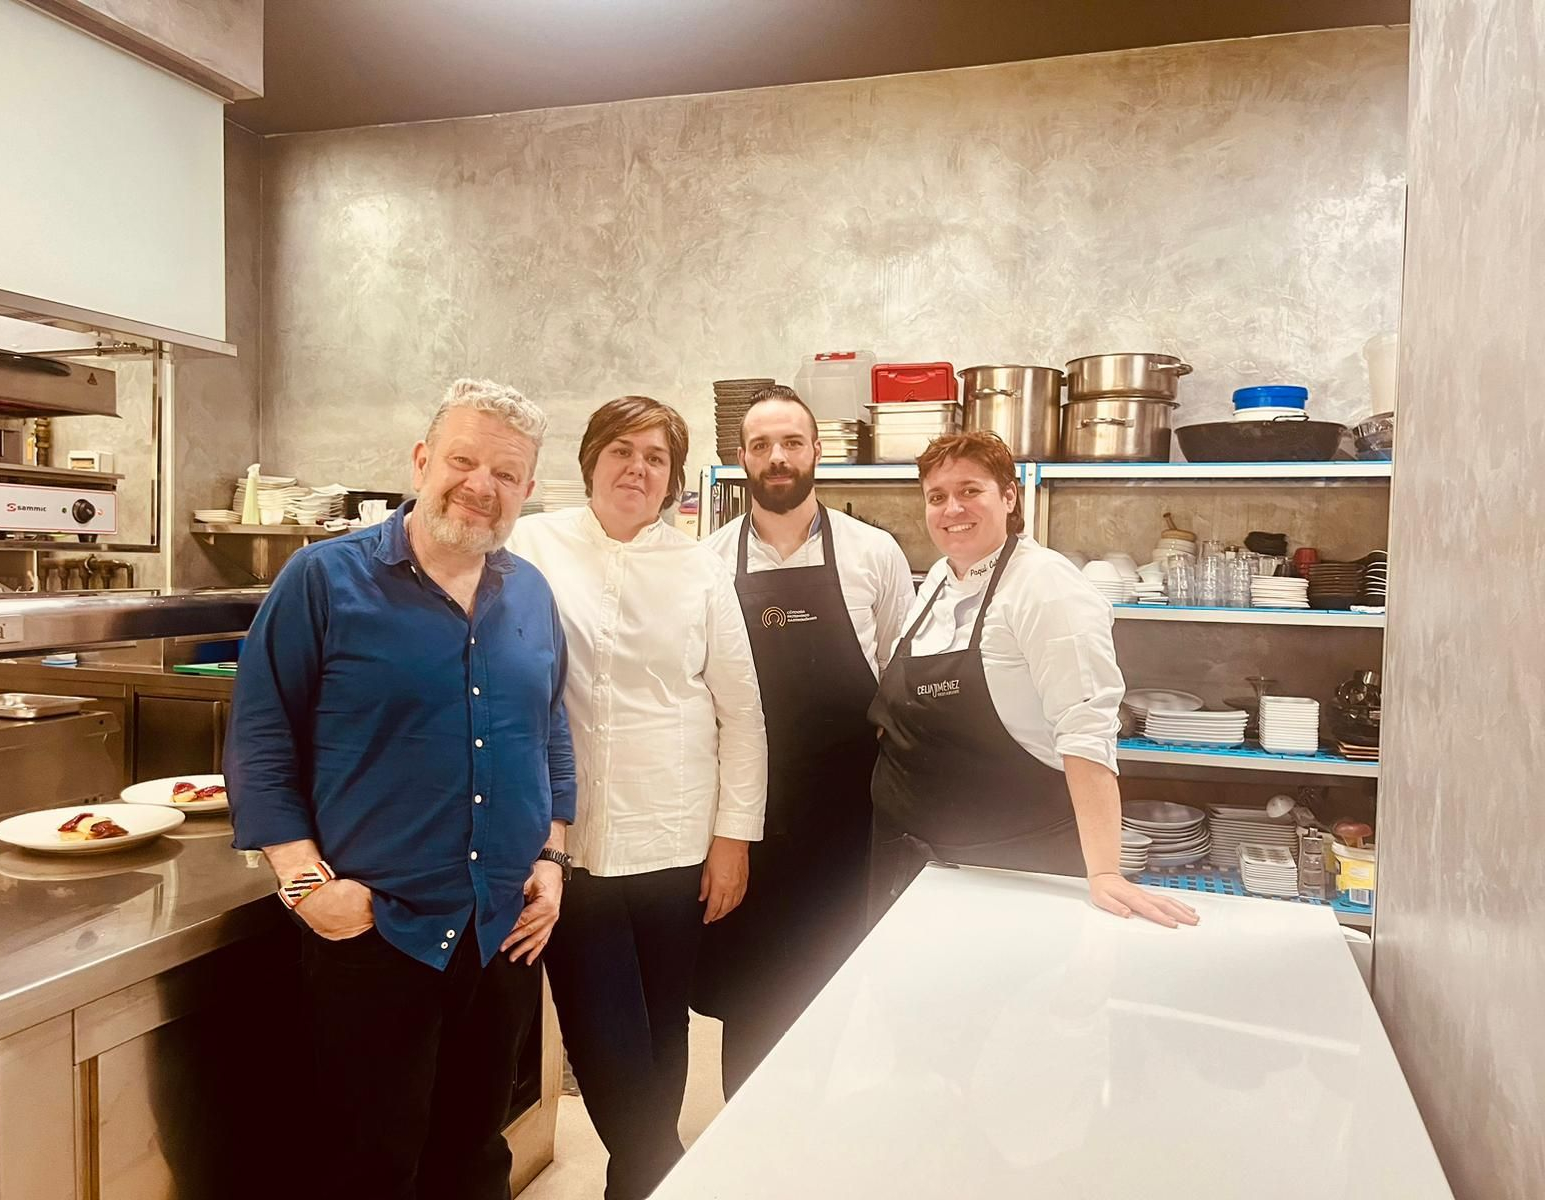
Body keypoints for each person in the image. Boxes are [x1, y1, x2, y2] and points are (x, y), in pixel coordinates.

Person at [226, 378, 577, 1200]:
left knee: (474, 1157)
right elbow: (260, 735)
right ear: (422, 461)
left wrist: (553, 857)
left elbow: (551, 728)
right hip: (376, 933)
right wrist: (305, 884)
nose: (481, 485)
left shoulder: (529, 592)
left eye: (506, 473)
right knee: (372, 1167)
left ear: (527, 489)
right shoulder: (323, 579)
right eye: (463, 460)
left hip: (500, 930)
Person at [505, 396, 766, 1200]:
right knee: (604, 1033)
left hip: (676, 834)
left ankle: (639, 1184)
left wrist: (733, 839)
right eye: (622, 450)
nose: (637, 468)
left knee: (661, 1026)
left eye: (656, 457)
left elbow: (741, 711)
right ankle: (665, 1172)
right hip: (566, 842)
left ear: (673, 479)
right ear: (591, 461)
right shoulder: (531, 545)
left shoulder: (699, 567)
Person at [868, 430, 1199, 929]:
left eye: (970, 490)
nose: (952, 508)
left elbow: (1086, 730)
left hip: (1011, 863)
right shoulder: (938, 578)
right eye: (937, 497)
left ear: (1009, 496)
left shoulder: (1045, 585)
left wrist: (1104, 871)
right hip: (914, 858)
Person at [693, 384, 916, 1096]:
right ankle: (750, 1133)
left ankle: (821, 1132)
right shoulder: (708, 561)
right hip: (747, 817)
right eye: (762, 445)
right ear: (741, 459)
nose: (778, 458)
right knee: (751, 992)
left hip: (849, 817)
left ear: (817, 451)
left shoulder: (873, 553)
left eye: (792, 442)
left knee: (841, 986)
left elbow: (902, 677)